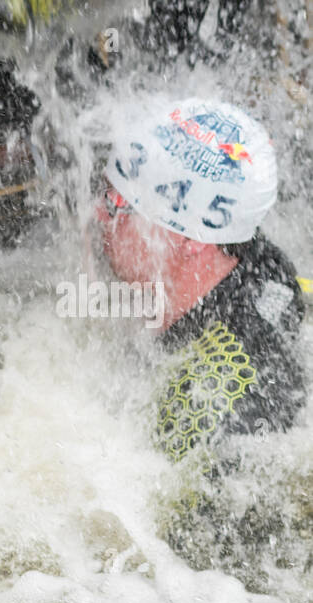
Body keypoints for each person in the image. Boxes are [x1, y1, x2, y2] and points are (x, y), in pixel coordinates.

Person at [94, 97, 306, 463]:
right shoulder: (252, 258)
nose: (99, 212)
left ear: (191, 240)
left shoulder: (202, 408)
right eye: (106, 190)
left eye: (120, 204)